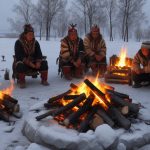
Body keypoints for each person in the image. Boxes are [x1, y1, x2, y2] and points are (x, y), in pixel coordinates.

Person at [14, 24, 49, 88]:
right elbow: (19, 55)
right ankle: (22, 81)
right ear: (25, 35)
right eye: (29, 34)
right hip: (24, 63)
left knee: (44, 62)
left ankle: (44, 80)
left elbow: (39, 53)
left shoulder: (35, 42)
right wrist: (29, 63)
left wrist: (38, 62)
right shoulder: (18, 42)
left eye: (32, 34)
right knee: (20, 65)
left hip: (34, 63)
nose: (31, 36)